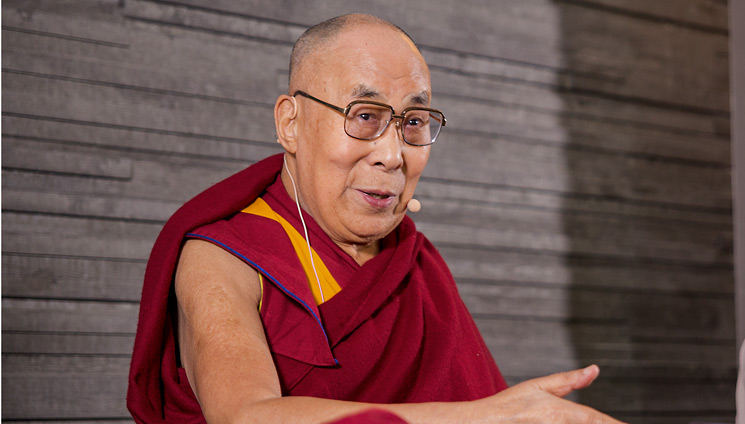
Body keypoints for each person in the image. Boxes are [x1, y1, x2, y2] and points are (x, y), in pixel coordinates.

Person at [127, 13, 626, 424]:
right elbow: (247, 417)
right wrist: (484, 417)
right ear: (290, 123)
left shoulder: (410, 260)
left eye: (412, 122)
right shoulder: (225, 259)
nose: (392, 154)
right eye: (365, 116)